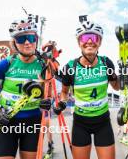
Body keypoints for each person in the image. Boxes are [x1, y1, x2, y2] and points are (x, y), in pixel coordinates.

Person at [0, 15, 51, 159]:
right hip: (7, 121)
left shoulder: (44, 66)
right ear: (14, 42)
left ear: (36, 40)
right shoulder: (5, 64)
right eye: (21, 39)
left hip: (33, 122)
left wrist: (47, 102)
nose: (27, 43)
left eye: (31, 38)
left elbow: (48, 95)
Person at [53, 17, 119, 159]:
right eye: (85, 38)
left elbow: (117, 87)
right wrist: (62, 103)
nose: (89, 41)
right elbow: (64, 93)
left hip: (103, 122)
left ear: (99, 42)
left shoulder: (106, 63)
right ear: (79, 43)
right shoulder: (70, 67)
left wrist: (120, 76)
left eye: (94, 37)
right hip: (80, 123)